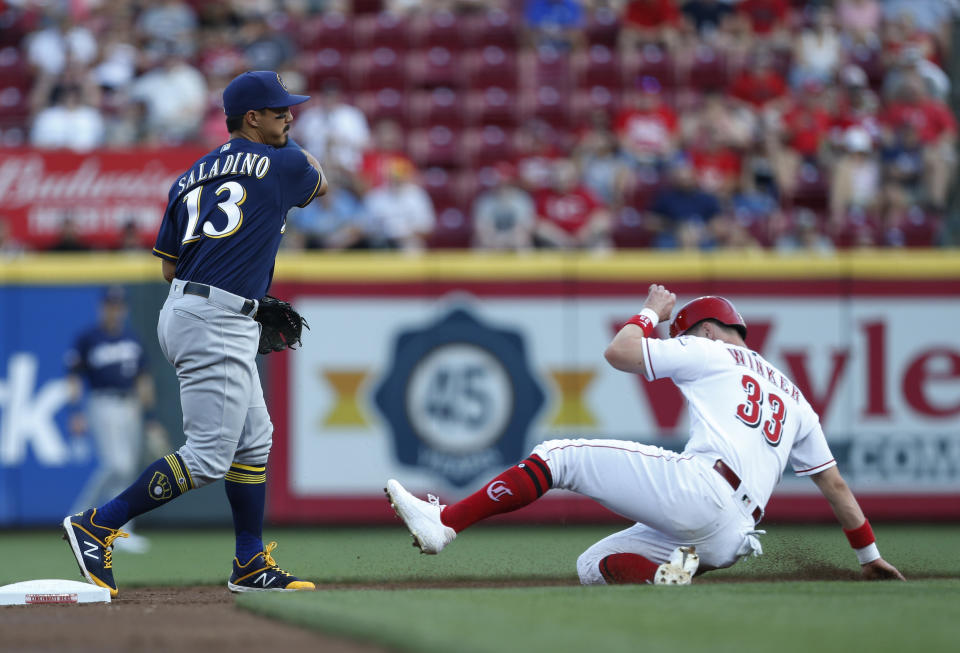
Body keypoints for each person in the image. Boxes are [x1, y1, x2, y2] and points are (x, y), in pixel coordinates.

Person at [386, 285, 905, 585]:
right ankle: (666, 582)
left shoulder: (708, 349)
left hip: (703, 492)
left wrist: (649, 313)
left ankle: (445, 524)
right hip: (733, 539)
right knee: (592, 567)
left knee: (559, 455)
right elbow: (834, 485)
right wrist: (869, 556)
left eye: (680, 334)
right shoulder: (795, 398)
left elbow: (621, 352)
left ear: (702, 330)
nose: (675, 341)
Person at [63, 70, 327, 597]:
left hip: (192, 306)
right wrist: (287, 146)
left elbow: (167, 268)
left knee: (255, 440)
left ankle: (249, 563)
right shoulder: (283, 161)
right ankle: (99, 523)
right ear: (252, 118)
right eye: (280, 112)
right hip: (216, 318)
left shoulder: (190, 175)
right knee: (208, 455)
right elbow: (319, 182)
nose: (289, 118)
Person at [65, 287, 165, 554]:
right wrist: (74, 411)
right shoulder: (89, 338)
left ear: (124, 309)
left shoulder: (132, 339)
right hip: (102, 403)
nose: (113, 309)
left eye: (118, 305)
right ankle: (79, 514)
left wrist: (151, 417)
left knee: (129, 469)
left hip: (130, 404)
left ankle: (122, 532)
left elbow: (143, 380)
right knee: (115, 464)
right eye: (109, 304)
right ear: (102, 307)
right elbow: (73, 376)